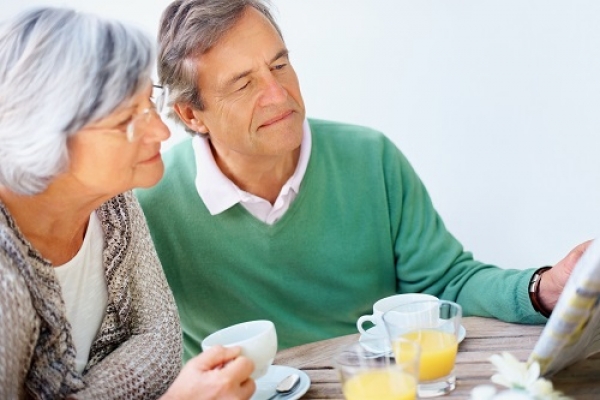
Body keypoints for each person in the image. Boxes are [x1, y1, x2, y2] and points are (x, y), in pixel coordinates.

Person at [136, 0, 589, 361]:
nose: (278, 95)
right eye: (243, 84)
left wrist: (542, 287)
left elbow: (447, 282)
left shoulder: (371, 157)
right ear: (192, 115)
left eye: (279, 65)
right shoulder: (148, 206)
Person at [0, 7, 255, 400]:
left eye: (149, 103)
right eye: (126, 120)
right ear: (42, 136)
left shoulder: (111, 200)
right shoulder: (6, 278)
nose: (161, 129)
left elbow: (160, 338)